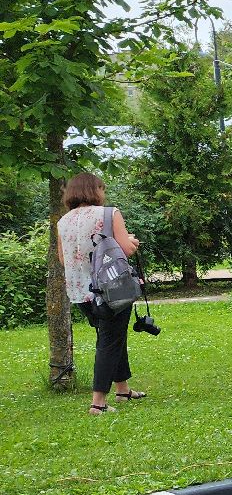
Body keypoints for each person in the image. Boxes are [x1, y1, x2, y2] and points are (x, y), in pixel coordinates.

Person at [55, 173, 145, 415]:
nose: (104, 193)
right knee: (109, 340)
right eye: (102, 188)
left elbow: (64, 260)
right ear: (94, 190)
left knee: (111, 336)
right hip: (110, 289)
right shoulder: (108, 213)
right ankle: (98, 403)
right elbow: (125, 249)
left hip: (80, 292)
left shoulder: (63, 222)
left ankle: (123, 389)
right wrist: (133, 243)